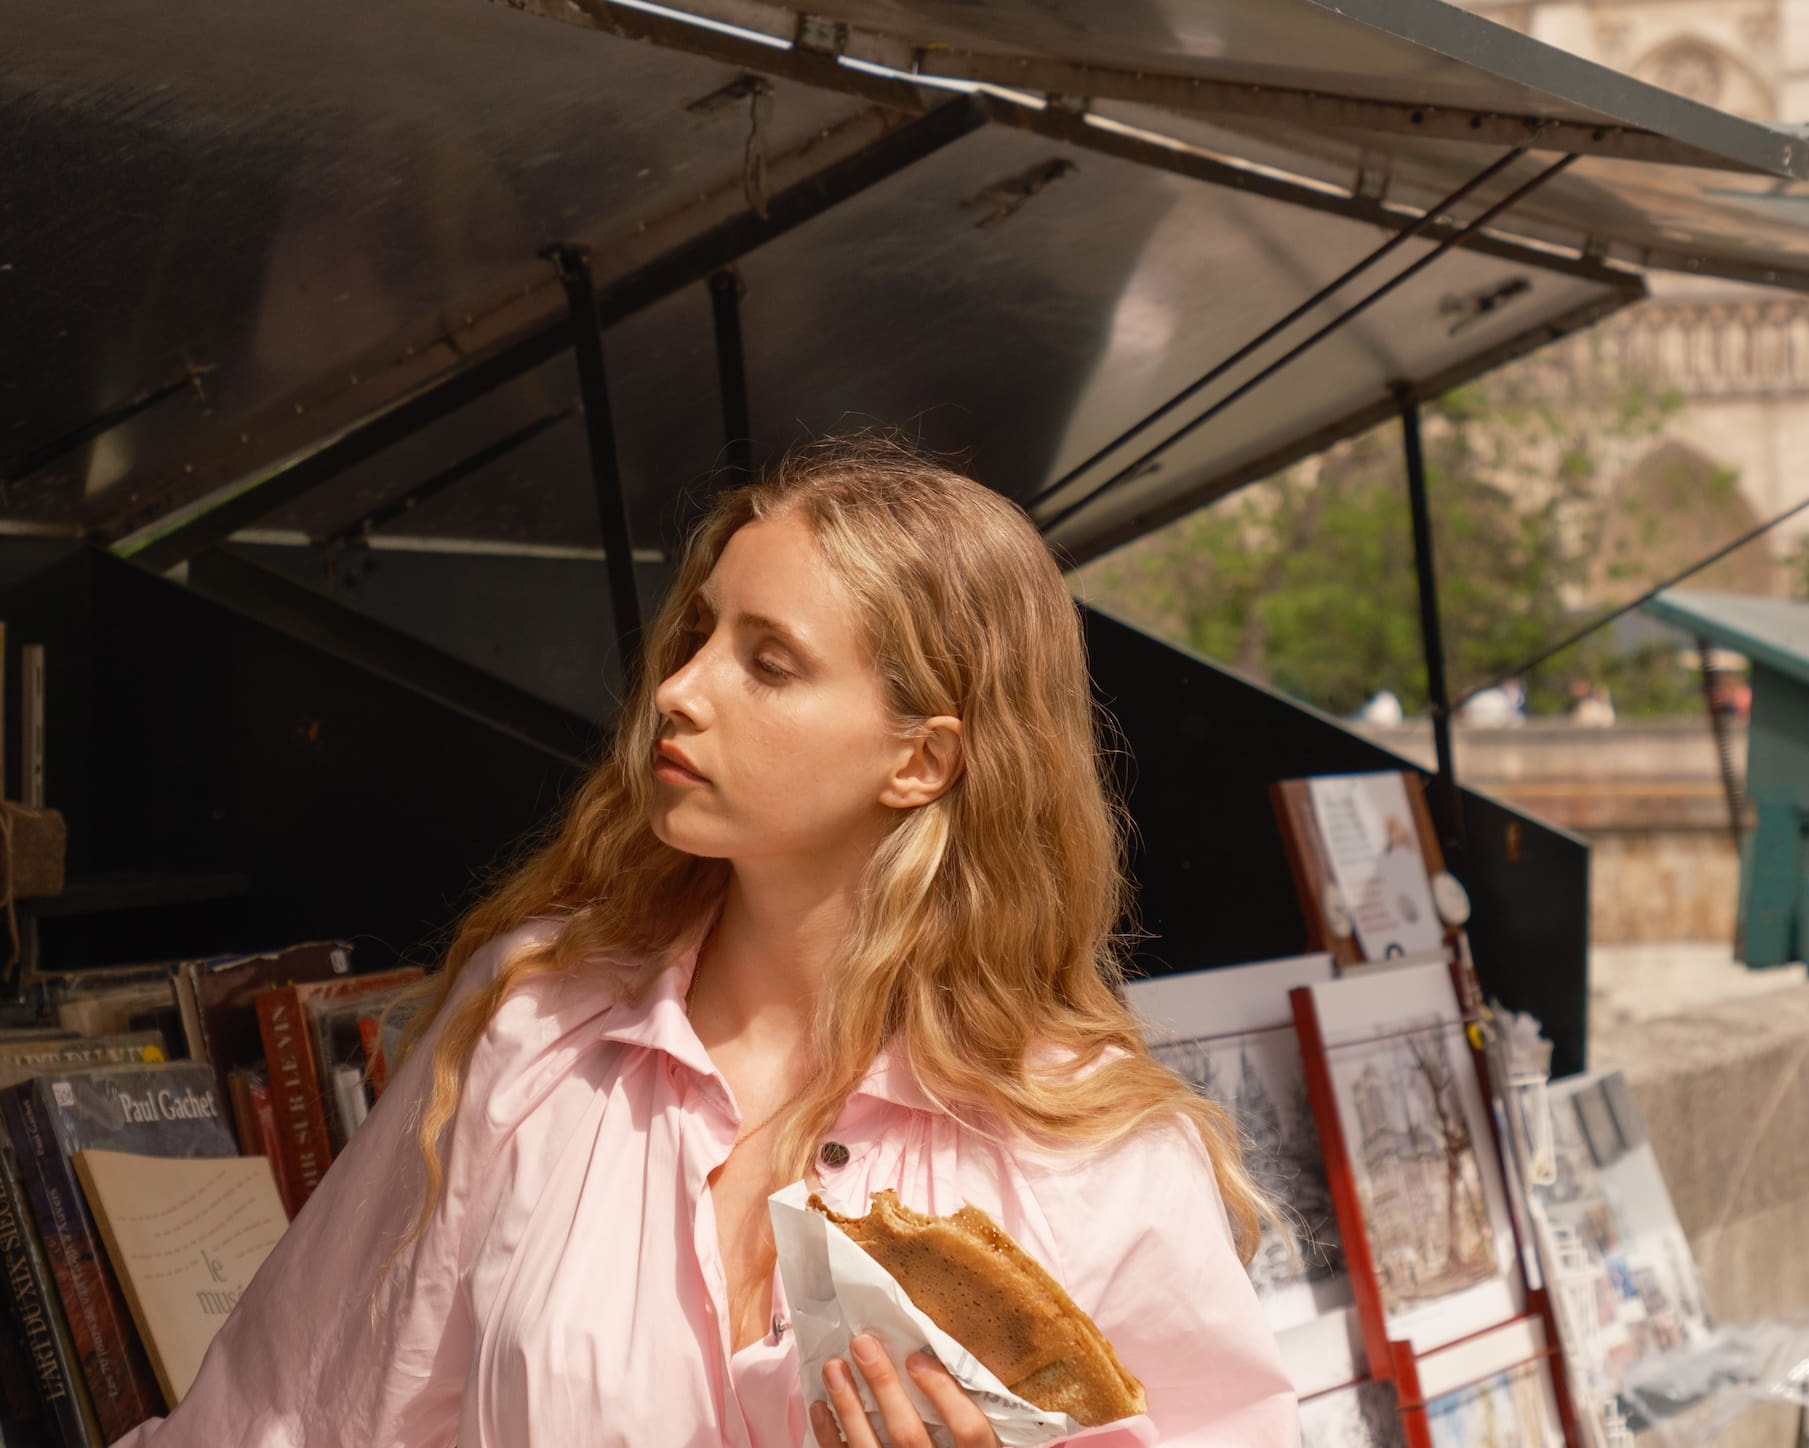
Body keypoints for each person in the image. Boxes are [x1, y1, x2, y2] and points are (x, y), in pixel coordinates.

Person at [117, 438, 1296, 1448]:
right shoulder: (538, 1019)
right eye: (698, 633)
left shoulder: (1091, 1148)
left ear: (919, 759)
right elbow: (295, 1409)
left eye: (766, 661)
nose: (678, 687)